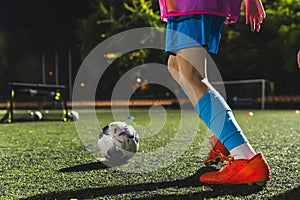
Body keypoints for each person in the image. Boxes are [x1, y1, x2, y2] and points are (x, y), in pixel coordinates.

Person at [158, 0, 270, 185]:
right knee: (176, 67)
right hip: (188, 5)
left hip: (191, 4)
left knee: (191, 74)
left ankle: (245, 157)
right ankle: (223, 134)